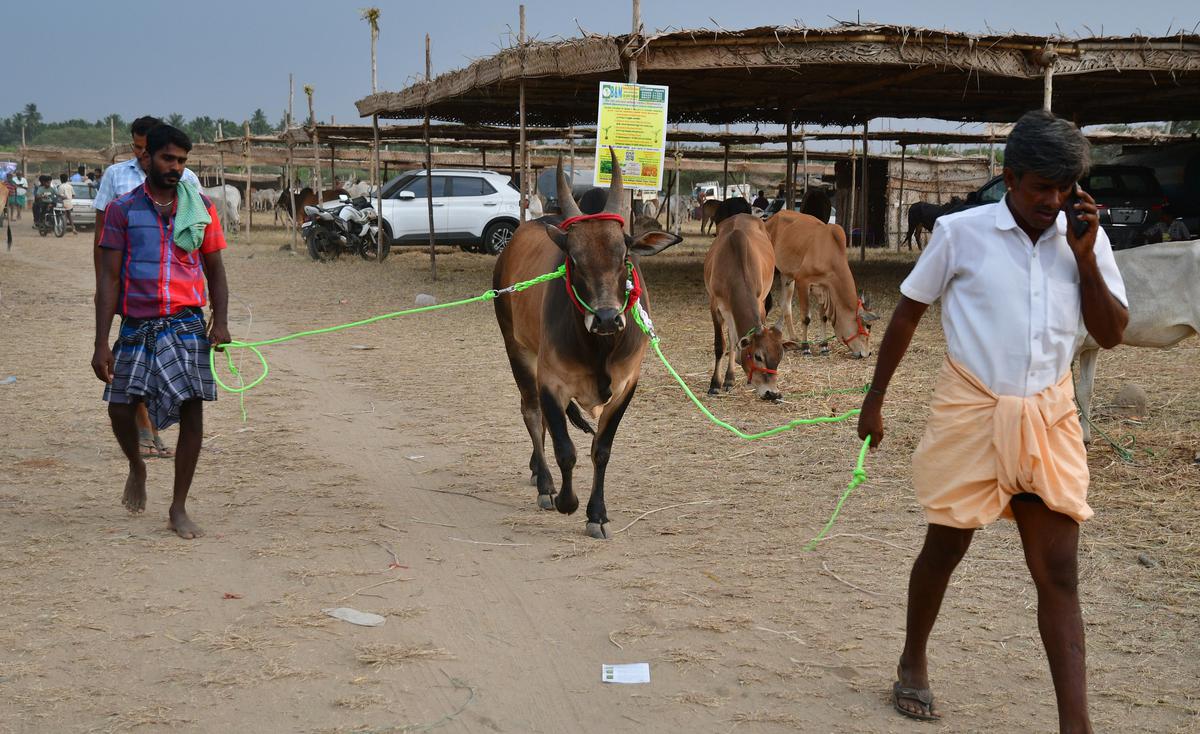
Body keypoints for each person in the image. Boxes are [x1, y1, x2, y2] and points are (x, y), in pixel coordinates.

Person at [858, 110, 1128, 732]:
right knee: (946, 546)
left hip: (1050, 417)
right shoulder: (959, 233)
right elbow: (906, 314)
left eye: (1065, 189)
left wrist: (1085, 258)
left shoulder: (1084, 237)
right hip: (971, 412)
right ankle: (913, 660)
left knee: (1057, 573)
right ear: (1010, 177)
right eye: (1041, 188)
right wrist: (875, 401)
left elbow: (1111, 336)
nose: (1053, 202)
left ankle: (1075, 727)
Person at [92, 124, 230, 540]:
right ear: (146, 157)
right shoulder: (122, 210)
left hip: (186, 321)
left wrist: (219, 320)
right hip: (137, 323)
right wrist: (101, 342)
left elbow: (217, 272)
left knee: (192, 411)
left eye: (183, 161)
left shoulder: (199, 207)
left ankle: (178, 506)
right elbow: (109, 280)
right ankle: (136, 464)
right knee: (119, 406)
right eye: (169, 158)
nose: (176, 168)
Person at [94, 115, 203, 458]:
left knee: (182, 388)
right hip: (132, 287)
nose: (143, 155)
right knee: (133, 376)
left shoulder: (187, 182)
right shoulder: (116, 178)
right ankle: (144, 429)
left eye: (179, 160)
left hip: (177, 293)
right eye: (139, 148)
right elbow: (102, 236)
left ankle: (153, 429)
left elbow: (198, 228)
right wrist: (103, 283)